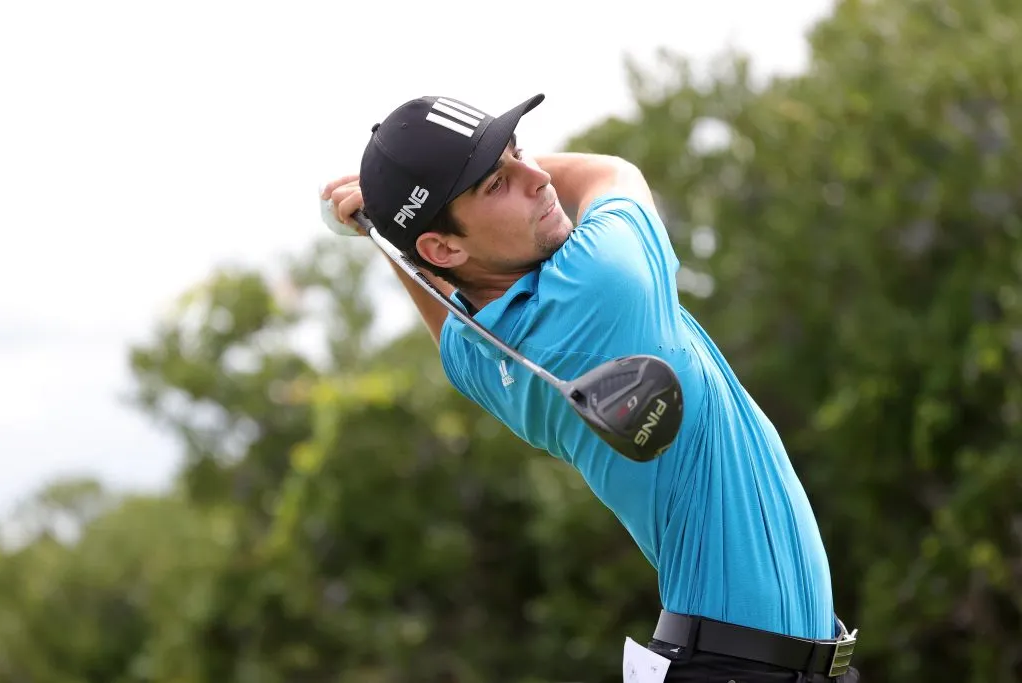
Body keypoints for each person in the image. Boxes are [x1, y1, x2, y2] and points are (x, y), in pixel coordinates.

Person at [320, 92, 860, 682]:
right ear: (444, 247)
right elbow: (609, 172)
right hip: (741, 667)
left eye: (519, 153)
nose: (538, 178)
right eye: (496, 184)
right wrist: (392, 223)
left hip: (744, 662)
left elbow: (452, 309)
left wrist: (395, 230)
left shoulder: (486, 360)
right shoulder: (599, 280)